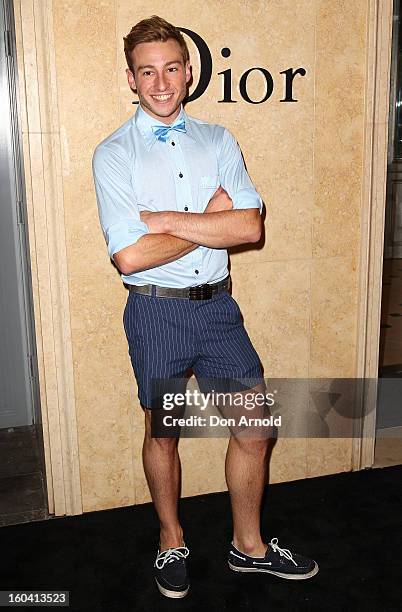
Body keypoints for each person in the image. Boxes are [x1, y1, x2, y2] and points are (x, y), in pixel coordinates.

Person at [92, 15, 318, 599]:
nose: (161, 82)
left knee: (254, 426)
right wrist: (206, 221)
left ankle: (249, 547)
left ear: (188, 73)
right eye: (148, 71)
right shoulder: (113, 154)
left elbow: (248, 227)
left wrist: (165, 220)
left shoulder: (218, 139)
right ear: (131, 79)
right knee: (164, 432)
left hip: (218, 308)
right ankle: (172, 540)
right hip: (156, 312)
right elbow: (130, 259)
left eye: (171, 68)